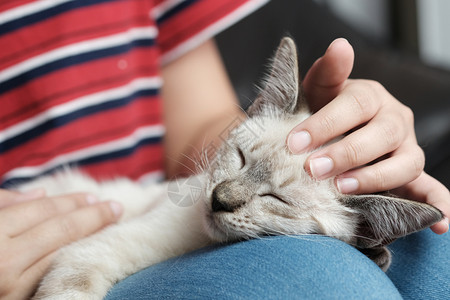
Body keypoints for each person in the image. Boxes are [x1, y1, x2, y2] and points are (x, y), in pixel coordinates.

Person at [0, 1, 448, 299]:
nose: (224, 196)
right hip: (32, 255)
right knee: (326, 282)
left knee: (435, 257)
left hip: (147, 196)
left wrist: (343, 135)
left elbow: (205, 129)